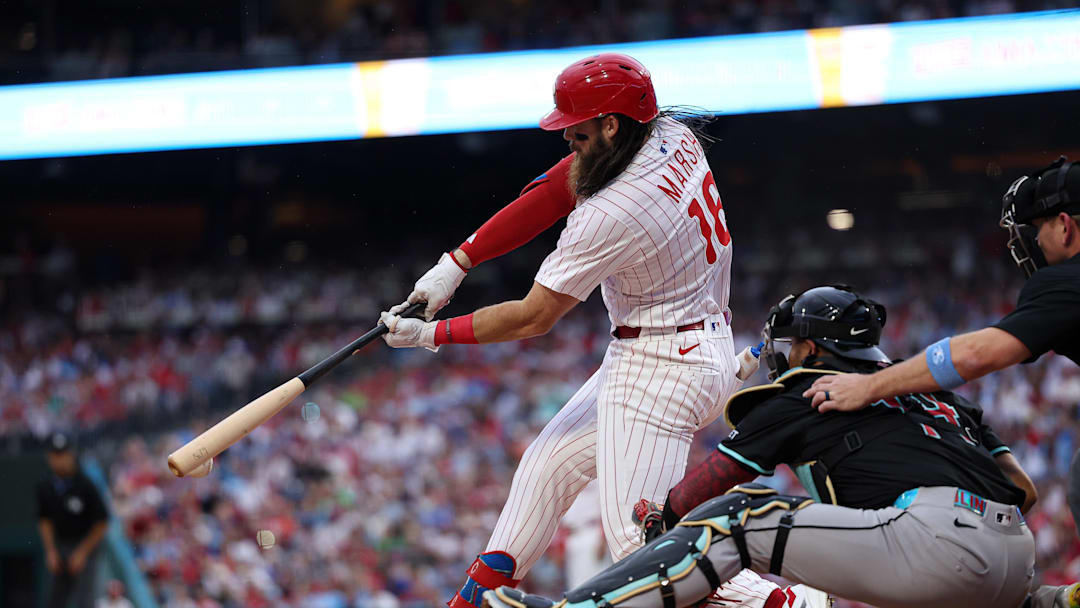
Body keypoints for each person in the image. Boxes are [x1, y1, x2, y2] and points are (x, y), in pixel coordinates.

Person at [379, 53, 824, 608]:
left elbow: (534, 316)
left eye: (577, 130)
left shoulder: (613, 211)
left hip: (662, 372)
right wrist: (459, 262)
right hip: (683, 345)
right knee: (547, 469)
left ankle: (794, 605)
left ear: (611, 125)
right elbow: (557, 186)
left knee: (645, 557)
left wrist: (431, 336)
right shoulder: (667, 133)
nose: (567, 139)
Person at [480, 285, 1043, 608]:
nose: (781, 353)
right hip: (1017, 562)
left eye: (789, 343)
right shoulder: (936, 398)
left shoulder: (807, 390)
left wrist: (663, 518)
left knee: (737, 518)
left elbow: (711, 485)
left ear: (810, 346)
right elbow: (1025, 491)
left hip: (940, 551)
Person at [800, 157, 1080, 533]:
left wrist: (868, 386)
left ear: (1064, 226)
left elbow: (977, 354)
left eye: (1038, 228)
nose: (1036, 242)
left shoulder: (1066, 279)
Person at [36, 432, 109, 608]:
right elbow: (44, 519)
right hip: (61, 546)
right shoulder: (45, 486)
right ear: (49, 457)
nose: (60, 460)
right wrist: (50, 551)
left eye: (63, 454)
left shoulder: (85, 484)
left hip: (85, 547)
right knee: (55, 600)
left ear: (71, 454)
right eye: (56, 455)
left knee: (85, 601)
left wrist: (83, 552)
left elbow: (102, 521)